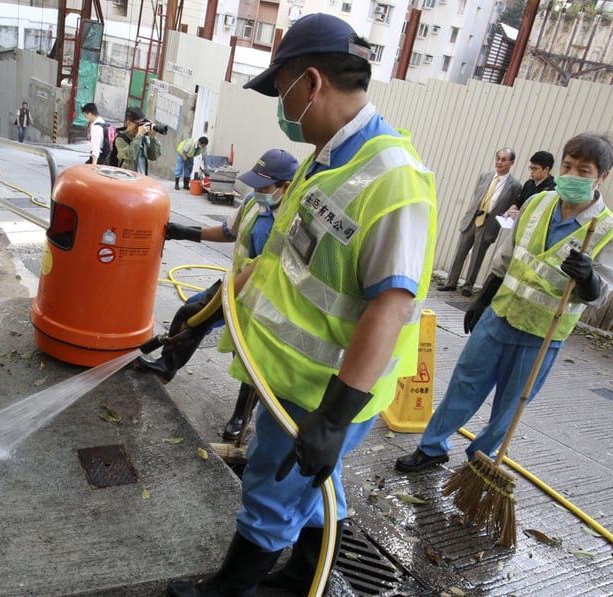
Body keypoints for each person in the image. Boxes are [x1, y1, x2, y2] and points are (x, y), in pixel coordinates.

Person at [166, 13, 437, 597]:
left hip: (325, 391)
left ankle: (227, 591)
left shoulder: (395, 180)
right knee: (316, 486)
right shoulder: (327, 156)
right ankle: (303, 577)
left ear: (311, 82)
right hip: (290, 377)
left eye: (281, 89)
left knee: (272, 487)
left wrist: (334, 418)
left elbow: (389, 308)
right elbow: (284, 262)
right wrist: (213, 308)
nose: (280, 107)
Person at [395, 132, 613, 475]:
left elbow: (600, 293)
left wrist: (588, 277)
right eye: (567, 166)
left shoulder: (607, 229)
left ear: (602, 177)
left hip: (542, 332)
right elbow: (507, 258)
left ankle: (480, 461)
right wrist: (482, 299)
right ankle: (432, 448)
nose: (571, 175)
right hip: (499, 315)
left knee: (511, 404)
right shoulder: (538, 203)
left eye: (583, 170)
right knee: (465, 383)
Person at [138, 148, 300, 441]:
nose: (257, 191)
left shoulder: (294, 220)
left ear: (285, 186)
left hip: (267, 298)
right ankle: (166, 366)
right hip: (237, 282)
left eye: (265, 187)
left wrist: (224, 301)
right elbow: (228, 232)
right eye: (255, 185)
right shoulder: (253, 202)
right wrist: (186, 232)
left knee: (250, 355)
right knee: (191, 312)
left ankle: (240, 417)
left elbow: (267, 265)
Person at [438, 148, 522, 297]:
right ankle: (451, 282)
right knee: (460, 251)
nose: (499, 162)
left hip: (488, 222)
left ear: (511, 162)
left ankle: (468, 286)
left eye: (504, 159)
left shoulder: (514, 185)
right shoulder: (485, 175)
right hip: (473, 217)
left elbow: (511, 205)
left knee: (477, 256)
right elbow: (477, 194)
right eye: (498, 158)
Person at [115, 106, 161, 174]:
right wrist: (139, 135)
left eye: (142, 123)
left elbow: (153, 156)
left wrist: (153, 139)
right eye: (138, 124)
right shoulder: (120, 139)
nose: (140, 127)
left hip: (141, 180)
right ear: (128, 123)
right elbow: (130, 155)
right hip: (126, 180)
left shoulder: (143, 138)